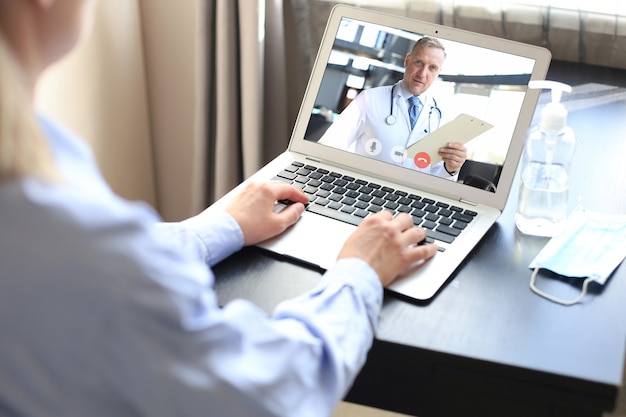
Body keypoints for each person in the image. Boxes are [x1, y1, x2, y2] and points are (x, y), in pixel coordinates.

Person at [0, 1, 438, 416]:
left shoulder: (36, 172)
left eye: (433, 67)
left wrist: (220, 225)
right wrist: (359, 271)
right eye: (419, 62)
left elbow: (105, 262)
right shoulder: (78, 249)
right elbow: (267, 394)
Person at [318, 36, 468, 179]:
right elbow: (328, 146)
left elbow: (438, 177)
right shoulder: (369, 99)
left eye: (432, 68)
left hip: (412, 199)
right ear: (407, 60)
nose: (423, 73)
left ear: (438, 72)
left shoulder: (442, 117)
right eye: (419, 63)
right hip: (365, 191)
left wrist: (451, 169)